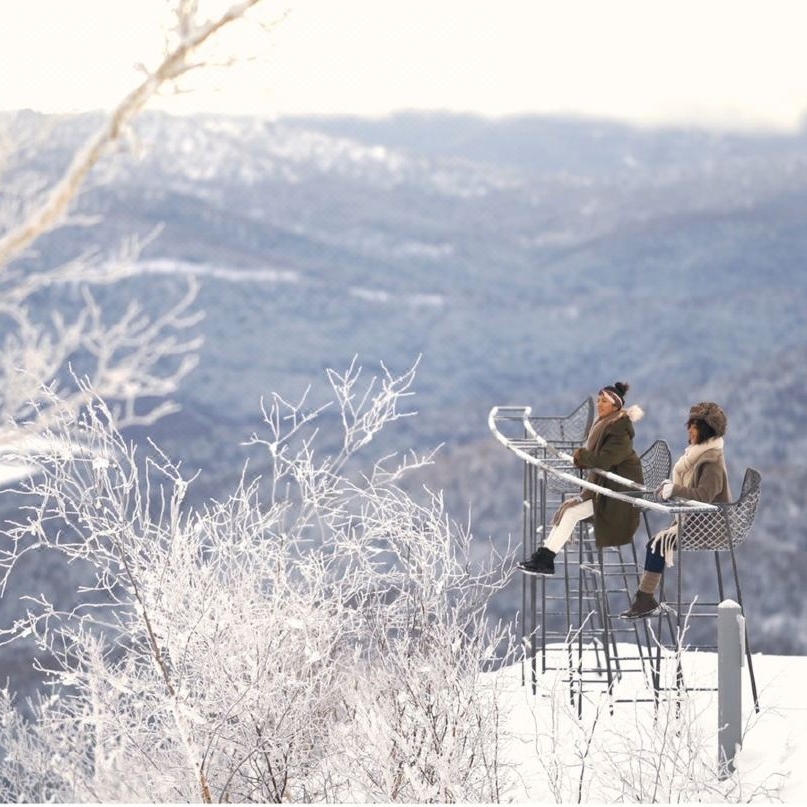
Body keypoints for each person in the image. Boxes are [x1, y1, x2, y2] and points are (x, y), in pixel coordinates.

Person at [518, 381, 645, 576]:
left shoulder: (619, 430)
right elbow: (599, 464)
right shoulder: (606, 424)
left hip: (618, 494)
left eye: (604, 401)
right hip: (604, 488)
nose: (599, 404)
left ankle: (545, 559)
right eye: (598, 400)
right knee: (570, 511)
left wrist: (581, 456)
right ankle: (543, 557)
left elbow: (604, 461)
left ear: (615, 406)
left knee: (571, 513)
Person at [621, 401, 731, 619]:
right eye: (689, 424)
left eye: (694, 426)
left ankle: (644, 600)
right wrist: (668, 489)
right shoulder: (696, 456)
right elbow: (688, 492)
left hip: (711, 526)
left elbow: (703, 497)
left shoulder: (712, 462)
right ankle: (645, 599)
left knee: (656, 545)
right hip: (697, 521)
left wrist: (675, 490)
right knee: (655, 544)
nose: (689, 429)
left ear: (706, 430)